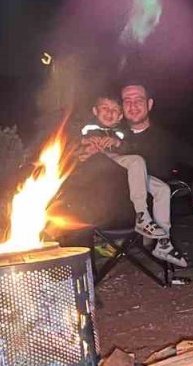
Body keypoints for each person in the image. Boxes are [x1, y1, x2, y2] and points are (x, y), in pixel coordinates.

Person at [73, 92, 187, 267]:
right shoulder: (87, 128)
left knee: (162, 188)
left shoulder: (122, 132)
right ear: (95, 111)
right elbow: (71, 141)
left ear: (120, 115)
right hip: (104, 172)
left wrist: (117, 143)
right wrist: (85, 141)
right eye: (105, 108)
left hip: (122, 168)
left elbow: (131, 147)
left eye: (115, 110)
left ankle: (164, 241)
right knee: (136, 161)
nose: (109, 113)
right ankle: (142, 215)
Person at [119, 83, 193, 267]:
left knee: (164, 188)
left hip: (148, 205)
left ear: (150, 104)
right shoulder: (116, 133)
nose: (133, 105)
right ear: (121, 107)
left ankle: (163, 243)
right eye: (127, 101)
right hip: (111, 204)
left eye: (139, 100)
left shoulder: (164, 138)